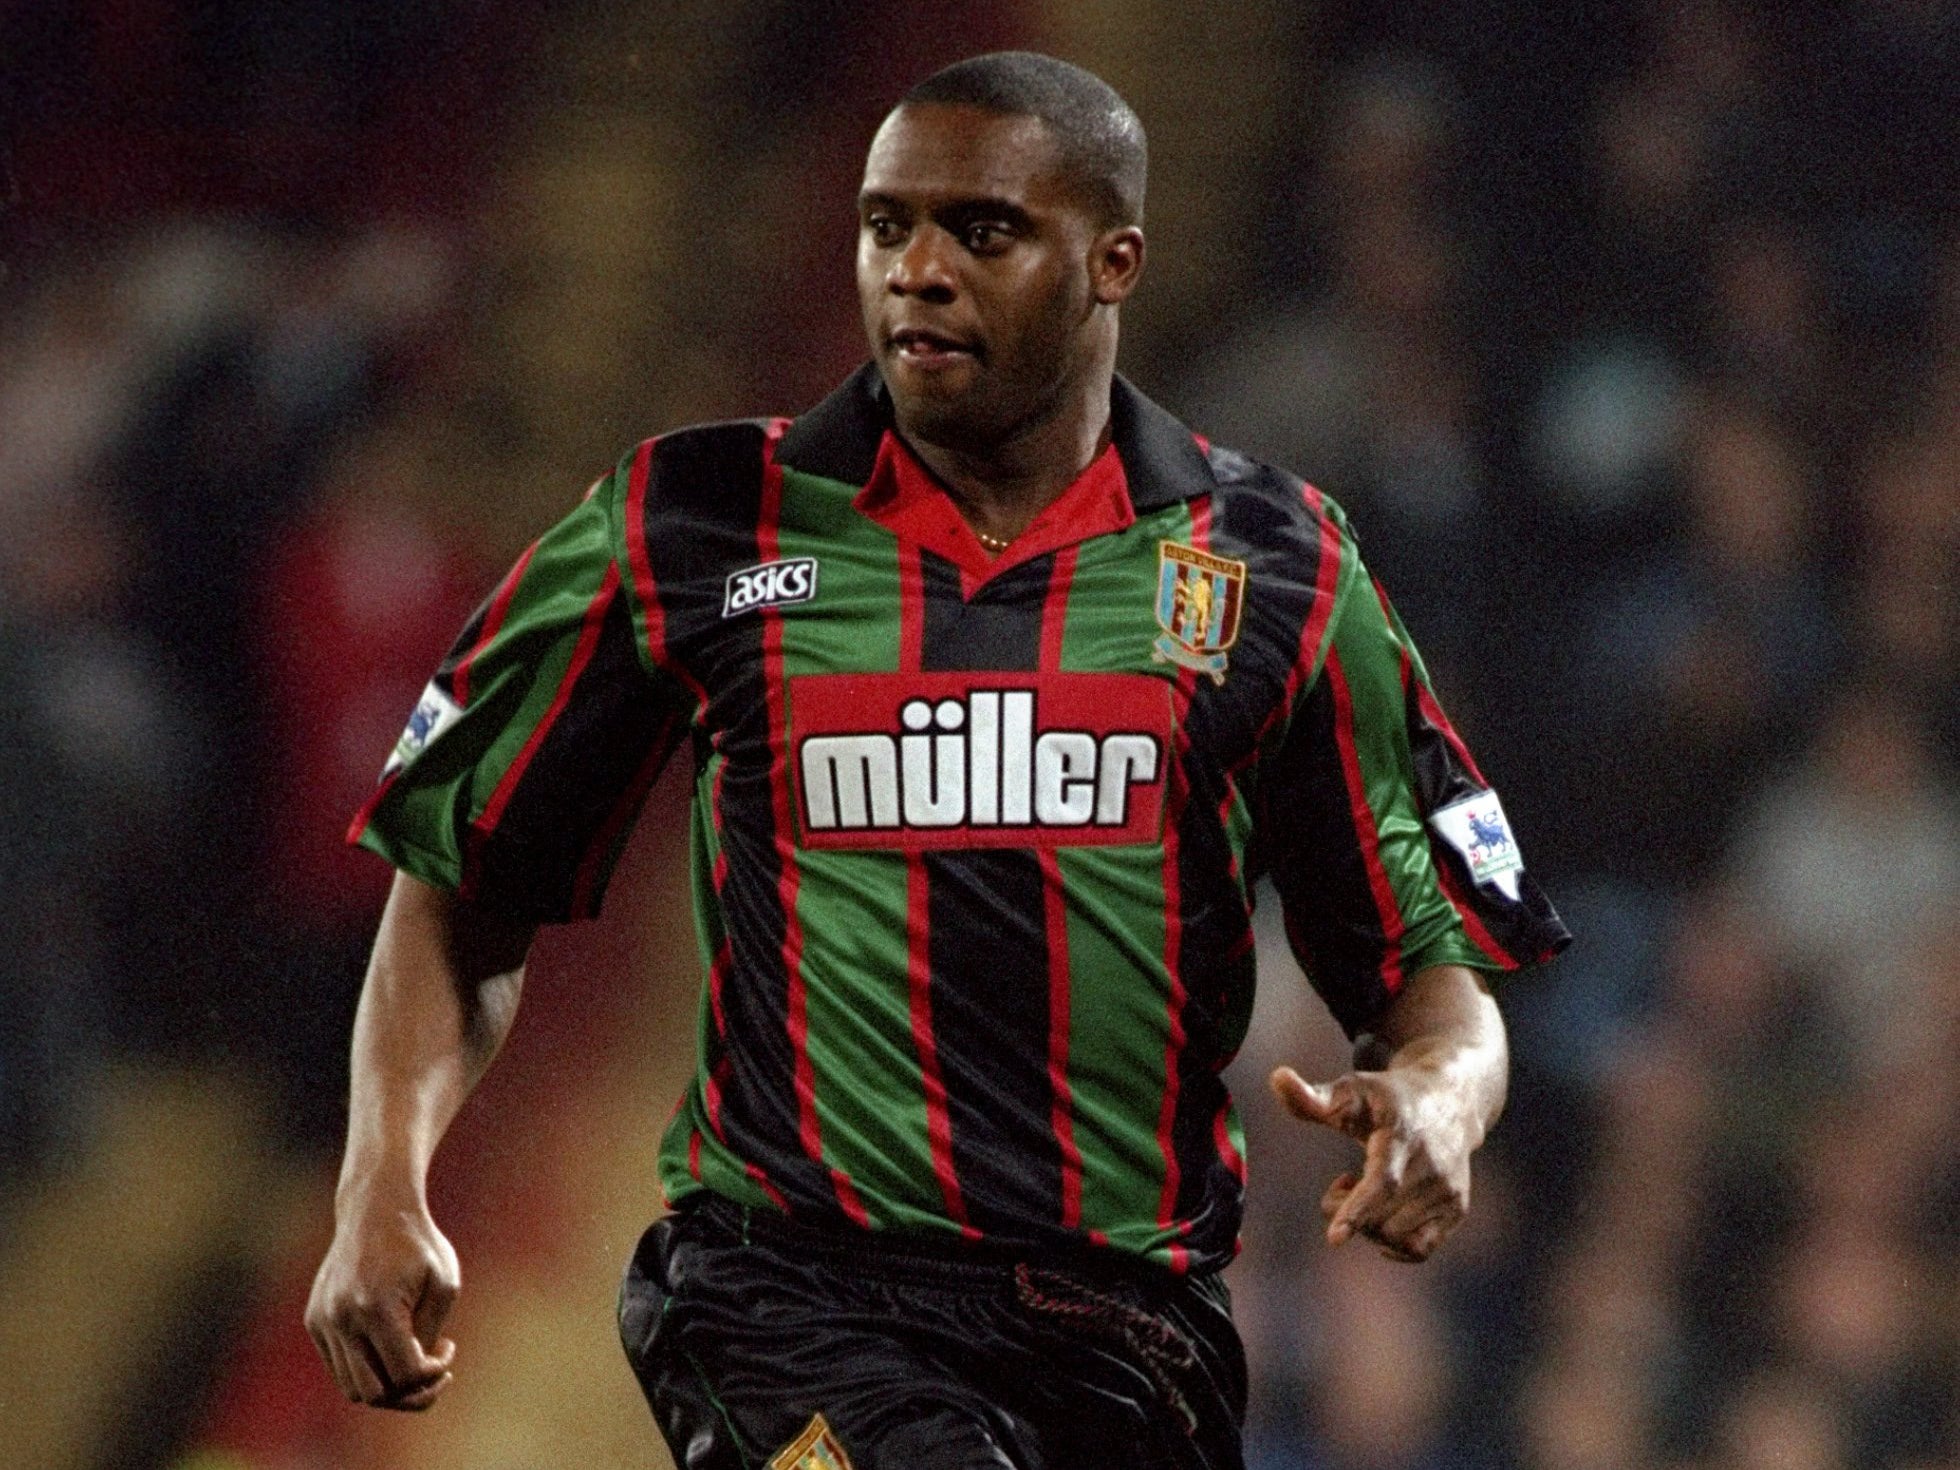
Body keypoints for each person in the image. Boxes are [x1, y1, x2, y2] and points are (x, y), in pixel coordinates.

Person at [305, 51, 1568, 1470]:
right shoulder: (695, 521)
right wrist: (381, 1183)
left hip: (1130, 1332)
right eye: (885, 222)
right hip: (789, 1295)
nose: (915, 270)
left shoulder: (1277, 568)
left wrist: (1440, 1104)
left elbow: (1428, 981)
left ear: (1114, 261)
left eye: (982, 230)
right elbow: (463, 879)